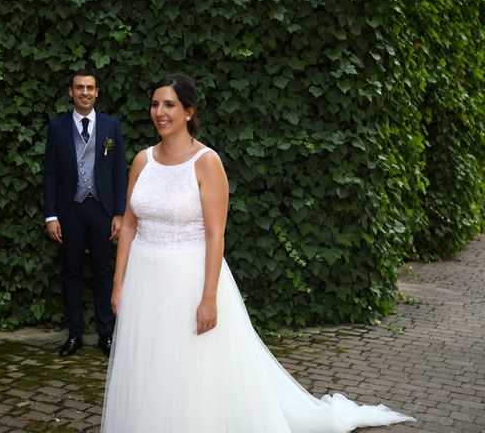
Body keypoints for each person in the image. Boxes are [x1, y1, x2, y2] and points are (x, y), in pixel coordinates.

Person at [100, 73, 415, 432]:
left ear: (189, 111)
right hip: (144, 275)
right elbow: (128, 224)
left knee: (189, 368)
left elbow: (217, 234)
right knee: (147, 363)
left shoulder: (206, 162)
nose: (160, 112)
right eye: (155, 104)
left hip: (188, 278)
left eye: (169, 105)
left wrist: (209, 297)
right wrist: (118, 282)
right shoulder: (142, 160)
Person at [43, 69, 127, 357]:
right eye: (79, 87)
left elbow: (118, 172)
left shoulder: (111, 126)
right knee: (71, 272)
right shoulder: (57, 128)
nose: (85, 92)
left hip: (102, 209)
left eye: (90, 88)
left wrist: (119, 212)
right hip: (71, 209)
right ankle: (75, 334)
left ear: (97, 92)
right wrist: (51, 215)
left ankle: (105, 335)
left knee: (104, 272)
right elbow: (50, 173)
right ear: (71, 92)